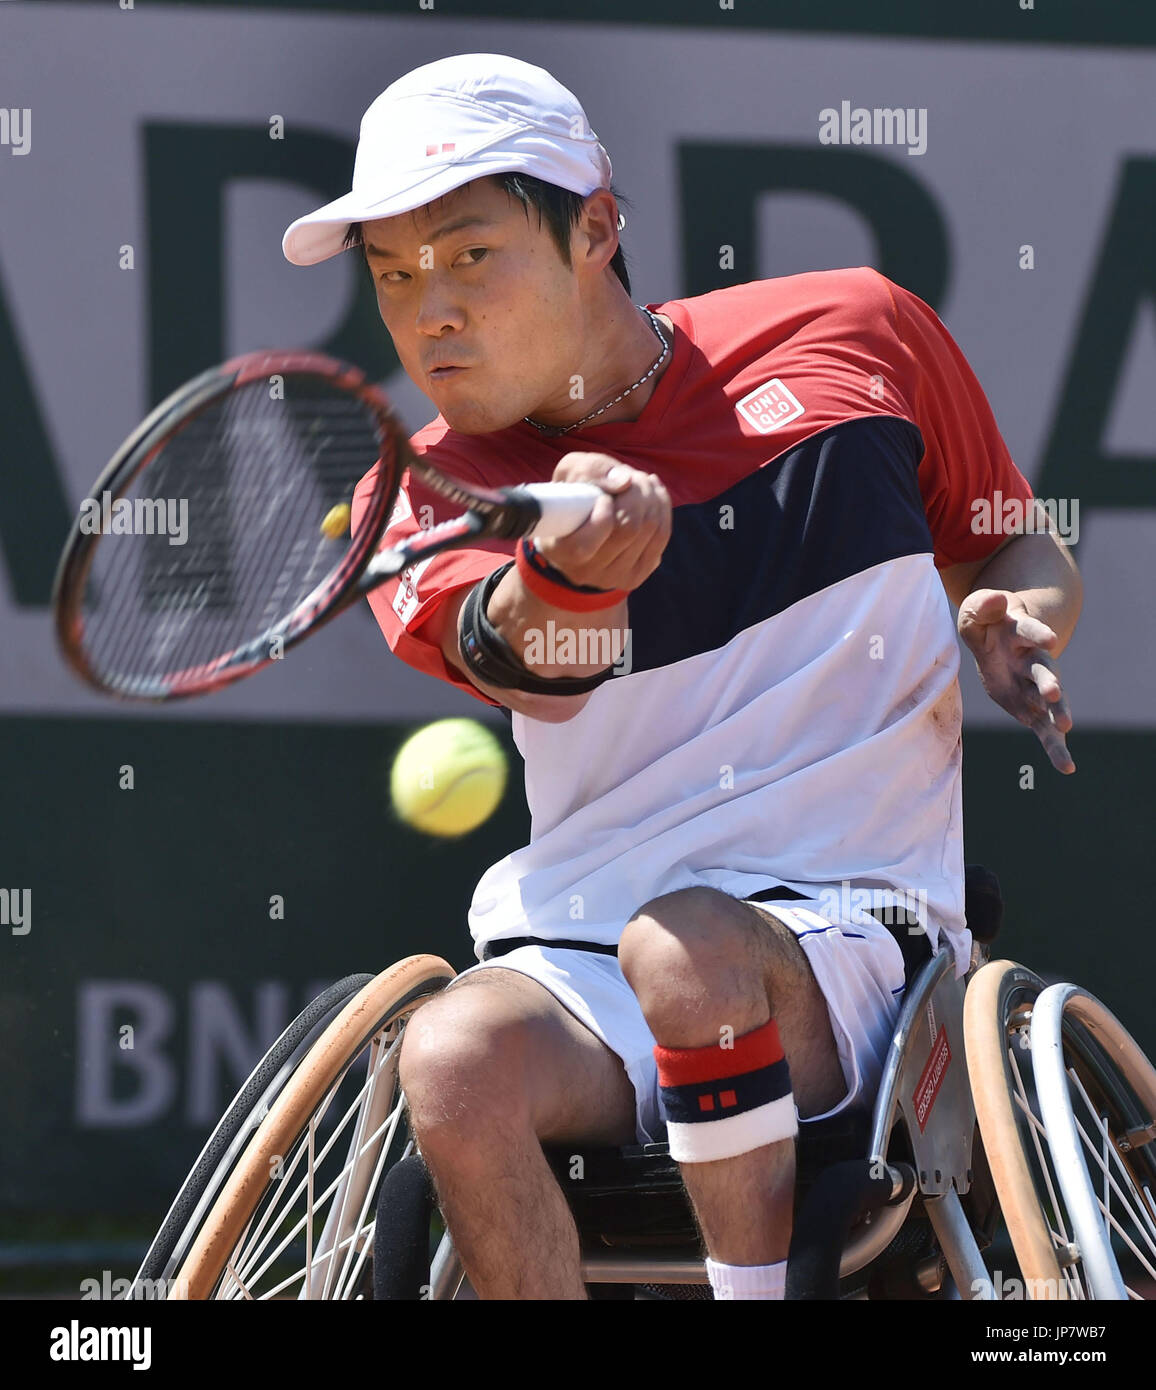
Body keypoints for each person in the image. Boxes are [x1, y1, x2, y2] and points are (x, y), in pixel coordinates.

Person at [283, 53, 1083, 1300]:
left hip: (862, 930)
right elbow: (529, 666)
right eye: (391, 275)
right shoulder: (426, 494)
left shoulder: (859, 330)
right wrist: (573, 578)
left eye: (468, 256)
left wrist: (1011, 613)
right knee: (448, 1059)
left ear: (595, 228)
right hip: (583, 951)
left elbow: (1008, 541)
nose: (427, 310)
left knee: (689, 955)